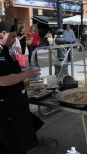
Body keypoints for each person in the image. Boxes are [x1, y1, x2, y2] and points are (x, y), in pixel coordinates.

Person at [0, 21, 44, 154]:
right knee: (11, 144)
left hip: (13, 104)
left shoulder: (5, 50)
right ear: (3, 34)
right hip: (4, 108)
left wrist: (22, 71)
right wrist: (26, 74)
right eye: (13, 36)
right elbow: (2, 80)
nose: (15, 40)